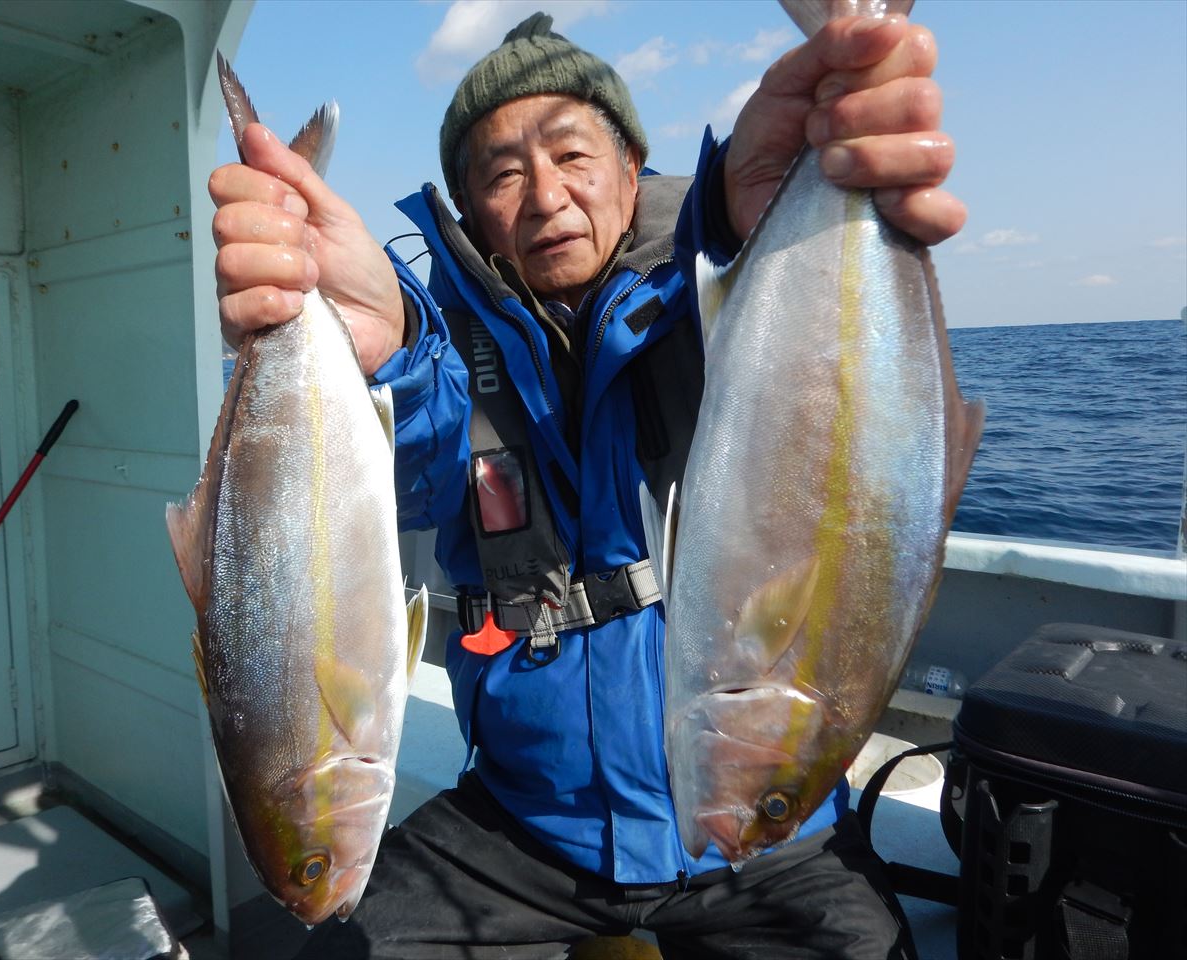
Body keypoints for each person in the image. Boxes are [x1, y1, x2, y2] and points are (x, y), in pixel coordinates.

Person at [210, 10, 964, 959]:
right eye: (501, 173)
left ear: (631, 161)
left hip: (770, 845)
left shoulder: (721, 285)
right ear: (470, 206)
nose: (544, 195)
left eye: (571, 154)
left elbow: (742, 275)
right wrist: (384, 352)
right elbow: (415, 452)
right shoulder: (441, 343)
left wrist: (755, 217)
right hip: (525, 831)